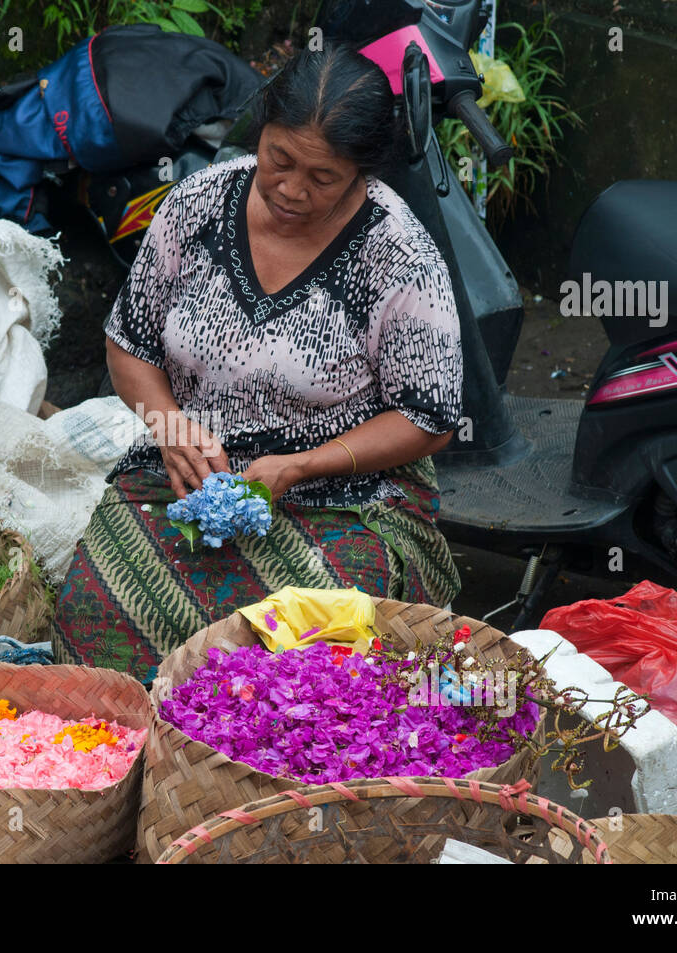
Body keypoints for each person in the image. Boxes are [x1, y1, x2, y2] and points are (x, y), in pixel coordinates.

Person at [53, 42, 463, 683]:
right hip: (188, 475)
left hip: (344, 495)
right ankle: (140, 768)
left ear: (361, 173)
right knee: (93, 608)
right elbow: (130, 344)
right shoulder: (198, 206)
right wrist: (170, 428)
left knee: (307, 643)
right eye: (280, 159)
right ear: (261, 133)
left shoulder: (398, 254)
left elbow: (428, 418)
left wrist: (299, 467)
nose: (293, 190)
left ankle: (253, 777)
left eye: (323, 177)